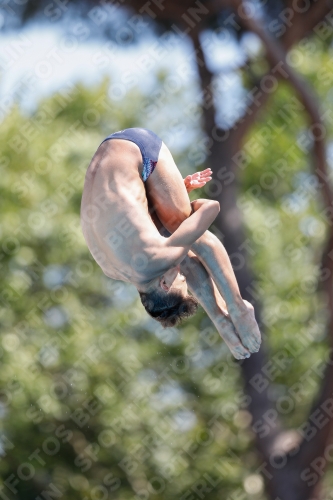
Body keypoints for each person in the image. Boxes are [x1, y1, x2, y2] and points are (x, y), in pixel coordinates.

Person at [80, 128, 261, 359]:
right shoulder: (111, 269)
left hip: (139, 147)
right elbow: (133, 218)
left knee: (183, 230)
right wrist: (176, 194)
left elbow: (211, 208)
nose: (181, 272)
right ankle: (222, 315)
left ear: (164, 286)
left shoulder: (158, 257)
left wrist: (189, 212)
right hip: (109, 152)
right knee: (173, 233)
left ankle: (234, 308)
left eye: (181, 280)